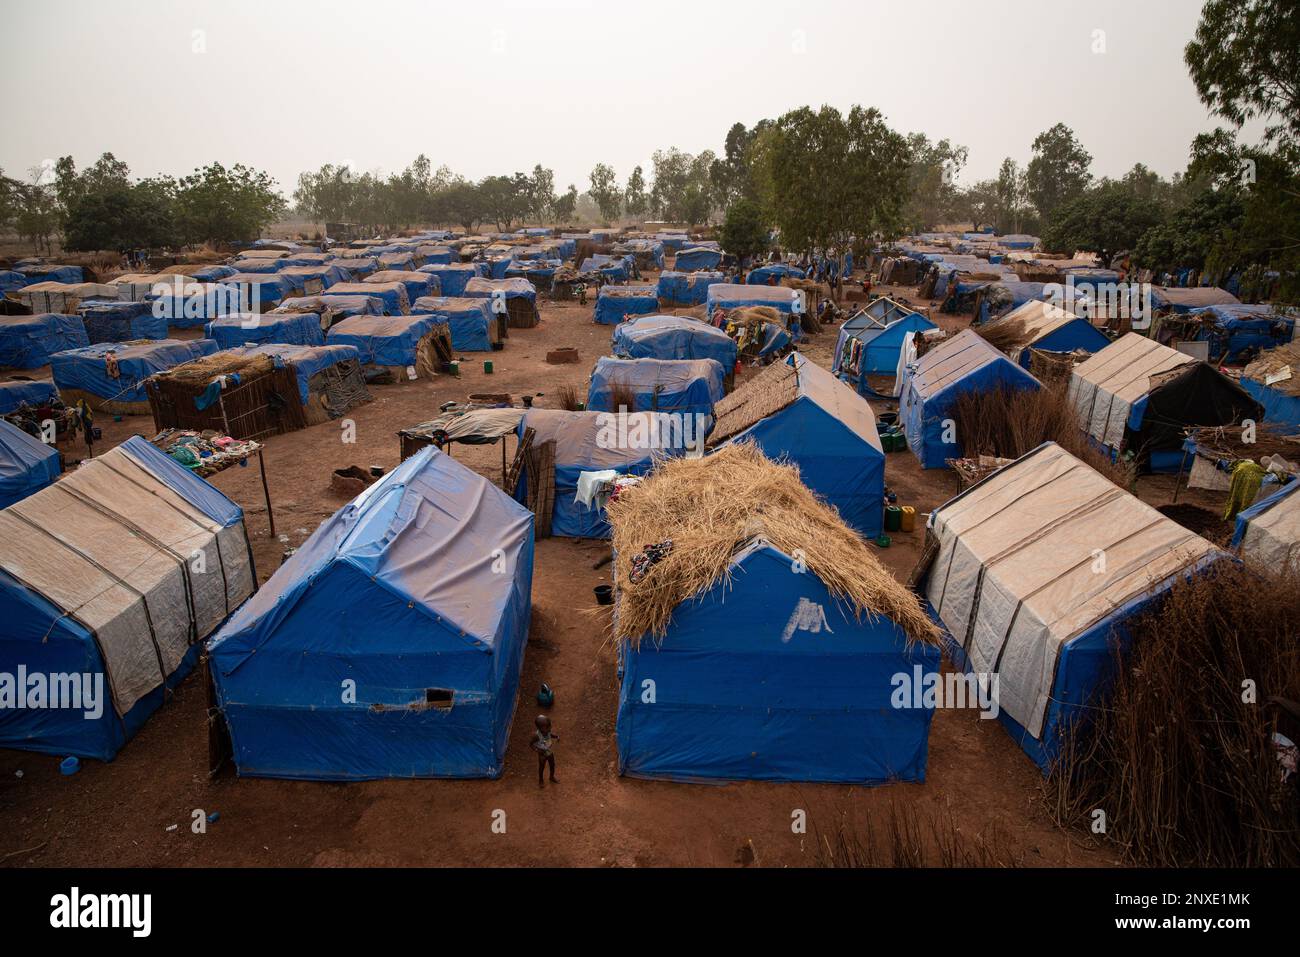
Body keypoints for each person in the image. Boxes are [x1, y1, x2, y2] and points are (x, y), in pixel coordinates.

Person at [532, 713, 558, 787]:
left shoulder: (548, 731)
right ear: (540, 728)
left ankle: (551, 777)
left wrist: (556, 736)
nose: (550, 728)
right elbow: (531, 744)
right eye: (548, 727)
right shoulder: (536, 736)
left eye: (550, 725)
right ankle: (541, 780)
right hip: (542, 755)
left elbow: (550, 734)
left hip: (549, 752)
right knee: (542, 767)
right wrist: (537, 750)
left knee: (552, 765)